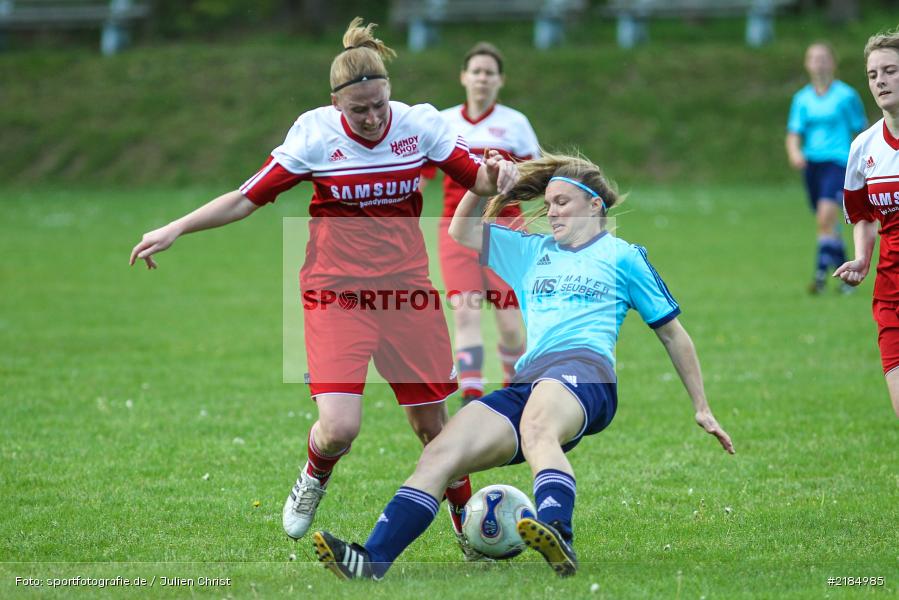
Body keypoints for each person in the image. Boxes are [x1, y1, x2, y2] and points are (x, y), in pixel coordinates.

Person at [128, 18, 519, 550]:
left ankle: (465, 524)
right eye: (359, 110)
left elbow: (476, 178)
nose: (373, 118)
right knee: (339, 428)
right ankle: (314, 476)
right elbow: (247, 197)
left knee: (433, 427)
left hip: (406, 293)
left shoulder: (418, 124)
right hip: (335, 293)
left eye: (380, 104)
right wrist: (176, 227)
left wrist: (499, 173)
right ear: (338, 105)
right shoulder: (315, 134)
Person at [310, 152, 735, 580]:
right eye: (547, 203)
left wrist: (701, 406)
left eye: (562, 203)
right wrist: (482, 187)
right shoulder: (533, 251)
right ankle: (372, 561)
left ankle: (556, 531)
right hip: (529, 380)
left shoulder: (623, 257)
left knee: (537, 427)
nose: (550, 213)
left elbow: (672, 333)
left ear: (595, 206)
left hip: (586, 374)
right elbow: (462, 231)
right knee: (441, 452)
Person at [425, 42, 540, 404]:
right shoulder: (443, 123)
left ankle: (515, 388)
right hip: (456, 231)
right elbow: (420, 174)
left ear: (500, 80)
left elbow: (534, 175)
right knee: (466, 314)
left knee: (509, 323)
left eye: (490, 73)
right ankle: (471, 395)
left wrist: (510, 178)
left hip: (506, 232)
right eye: (476, 71)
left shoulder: (515, 123)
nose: (482, 79)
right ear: (463, 76)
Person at [834, 27, 899, 419]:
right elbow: (862, 216)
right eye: (873, 75)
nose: (880, 81)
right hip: (892, 297)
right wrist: (862, 258)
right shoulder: (864, 147)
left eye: (890, 71)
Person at [786, 42, 867, 294]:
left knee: (825, 217)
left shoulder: (846, 96)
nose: (819, 63)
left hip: (839, 162)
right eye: (814, 58)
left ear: (832, 63)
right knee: (827, 224)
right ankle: (847, 279)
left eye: (823, 58)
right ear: (807, 64)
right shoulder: (802, 99)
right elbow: (793, 133)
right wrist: (795, 153)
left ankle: (820, 276)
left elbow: (862, 130)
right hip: (812, 165)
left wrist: (864, 162)